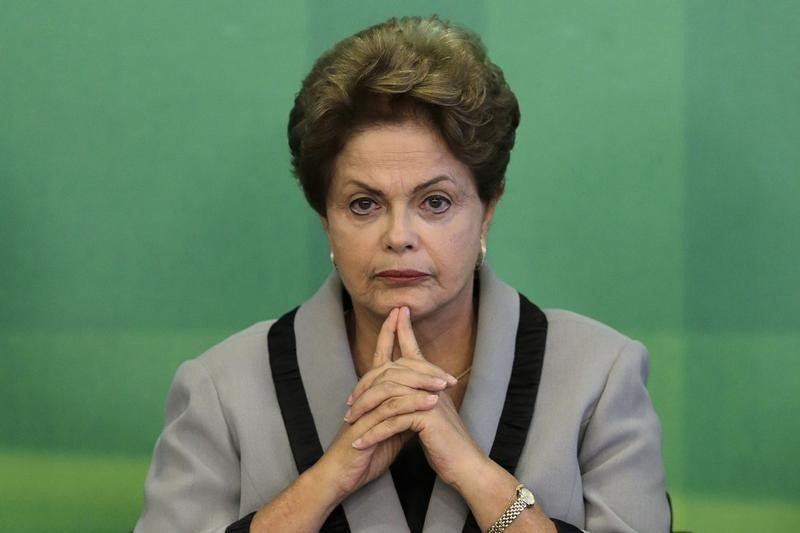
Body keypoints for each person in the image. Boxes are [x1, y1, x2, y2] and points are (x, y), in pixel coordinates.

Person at [135, 15, 670, 533]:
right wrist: (327, 479)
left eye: (435, 202)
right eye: (364, 204)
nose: (399, 235)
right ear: (325, 218)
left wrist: (477, 475)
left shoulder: (598, 378)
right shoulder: (220, 389)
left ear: (487, 209)